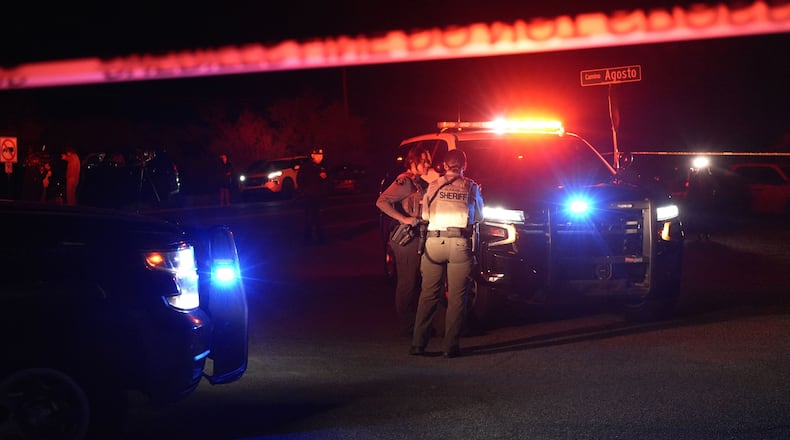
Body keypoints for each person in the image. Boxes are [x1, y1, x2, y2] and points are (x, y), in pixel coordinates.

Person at [411, 149, 483, 358]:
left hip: (434, 243)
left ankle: (418, 344)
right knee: (457, 298)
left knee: (428, 295)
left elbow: (425, 215)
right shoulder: (471, 186)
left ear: (443, 165)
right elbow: (479, 217)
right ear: (464, 166)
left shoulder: (433, 186)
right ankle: (450, 347)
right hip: (459, 244)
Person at [376, 145, 433, 336]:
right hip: (407, 239)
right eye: (424, 160)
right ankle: (408, 327)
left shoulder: (418, 182)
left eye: (429, 160)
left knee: (421, 281)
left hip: (418, 237)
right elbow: (381, 202)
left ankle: (420, 323)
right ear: (413, 161)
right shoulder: (405, 182)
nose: (428, 164)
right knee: (407, 283)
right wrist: (404, 219)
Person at [297, 147, 330, 244]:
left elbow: (328, 181)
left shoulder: (323, 167)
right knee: (308, 218)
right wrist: (305, 191)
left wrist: (325, 179)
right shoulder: (306, 167)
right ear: (312, 156)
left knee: (319, 218)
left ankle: (321, 238)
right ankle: (307, 238)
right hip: (309, 197)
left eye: (321, 155)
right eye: (318, 155)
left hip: (319, 196)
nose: (320, 157)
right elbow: (300, 179)